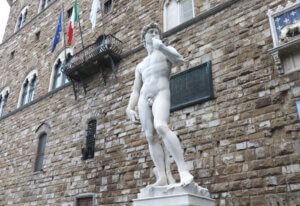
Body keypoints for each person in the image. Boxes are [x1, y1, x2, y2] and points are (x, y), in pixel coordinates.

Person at [126, 22, 193, 186]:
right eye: (150, 32)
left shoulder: (165, 51)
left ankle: (183, 170)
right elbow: (135, 90)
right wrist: (129, 107)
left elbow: (180, 61)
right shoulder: (140, 65)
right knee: (150, 137)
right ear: (144, 39)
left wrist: (161, 46)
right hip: (143, 97)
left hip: (161, 92)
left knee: (161, 126)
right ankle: (162, 176)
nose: (154, 33)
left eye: (156, 31)